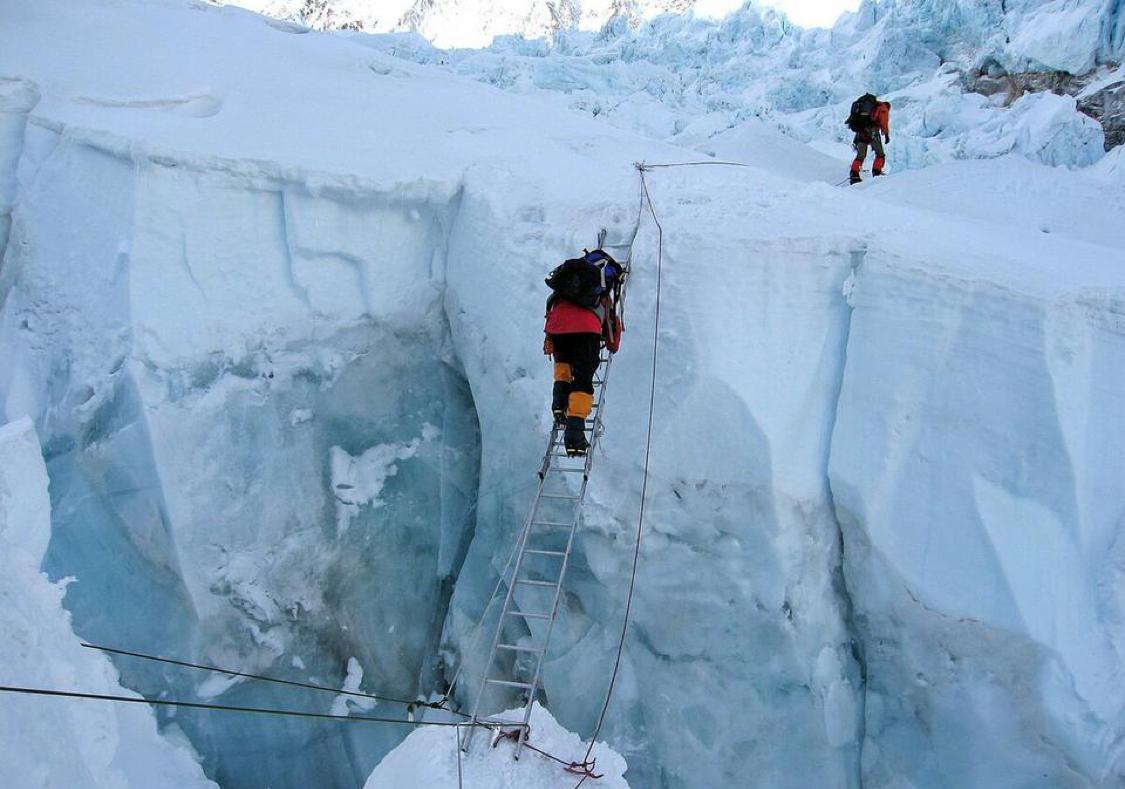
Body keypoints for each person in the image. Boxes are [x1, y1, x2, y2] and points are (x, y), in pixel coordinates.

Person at [543, 250, 624, 457]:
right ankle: (575, 436)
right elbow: (612, 334)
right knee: (582, 379)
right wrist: (611, 345)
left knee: (563, 367)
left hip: (557, 325)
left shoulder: (566, 286)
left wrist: (550, 336)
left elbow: (551, 307)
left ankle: (559, 406)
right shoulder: (600, 293)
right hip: (585, 330)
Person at [846, 93, 891, 184]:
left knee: (861, 155)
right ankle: (877, 172)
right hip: (872, 132)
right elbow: (884, 121)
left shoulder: (867, 107)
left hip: (861, 132)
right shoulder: (883, 108)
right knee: (880, 154)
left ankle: (854, 175)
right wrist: (886, 134)